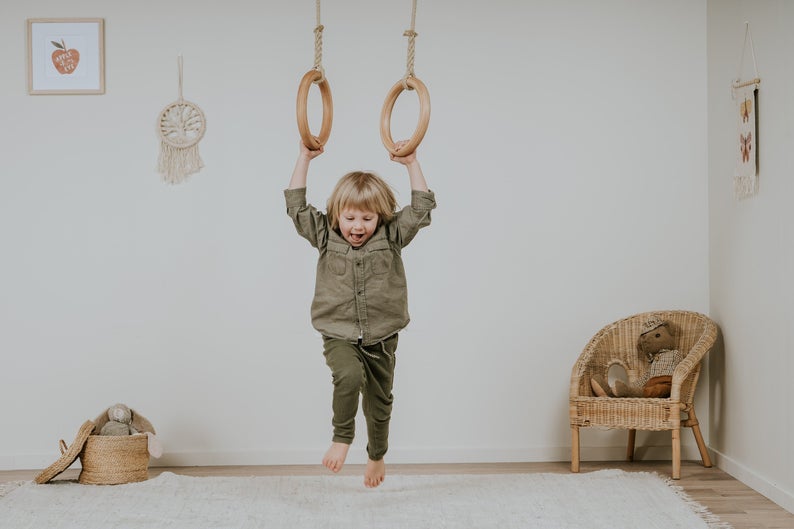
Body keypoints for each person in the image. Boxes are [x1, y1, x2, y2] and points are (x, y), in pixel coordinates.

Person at [284, 139, 436, 488]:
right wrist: (304, 157)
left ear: (380, 217)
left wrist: (411, 162)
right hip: (338, 332)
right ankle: (342, 436)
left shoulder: (392, 235)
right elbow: (296, 206)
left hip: (382, 334)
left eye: (367, 218)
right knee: (349, 377)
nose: (357, 225)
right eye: (350, 217)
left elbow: (421, 209)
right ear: (337, 214)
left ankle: (377, 454)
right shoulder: (324, 235)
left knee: (380, 402)